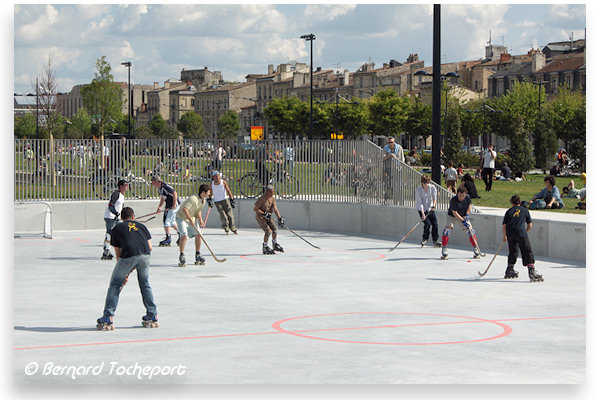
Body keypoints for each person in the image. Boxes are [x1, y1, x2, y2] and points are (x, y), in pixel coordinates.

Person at [96, 207, 158, 330]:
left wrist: (124, 273)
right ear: (133, 217)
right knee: (145, 284)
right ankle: (152, 314)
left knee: (115, 285)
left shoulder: (117, 229)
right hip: (145, 255)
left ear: (121, 218)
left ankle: (108, 316)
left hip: (129, 255)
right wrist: (129, 269)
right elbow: (150, 247)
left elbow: (118, 254)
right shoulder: (142, 226)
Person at [502, 195, 543, 282]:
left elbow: (504, 226)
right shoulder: (525, 210)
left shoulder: (509, 211)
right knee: (527, 251)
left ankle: (510, 269)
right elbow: (530, 225)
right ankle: (531, 271)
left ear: (511, 203)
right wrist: (525, 232)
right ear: (519, 202)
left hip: (510, 233)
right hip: (521, 233)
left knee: (513, 251)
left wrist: (505, 236)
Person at [175, 184, 211, 267]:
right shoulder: (193, 199)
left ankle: (197, 255)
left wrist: (201, 220)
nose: (209, 194)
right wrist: (190, 219)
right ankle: (182, 255)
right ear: (203, 192)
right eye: (208, 192)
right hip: (182, 218)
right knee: (184, 235)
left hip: (192, 219)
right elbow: (185, 209)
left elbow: (198, 210)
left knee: (199, 235)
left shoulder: (202, 200)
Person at [441, 186, 481, 260]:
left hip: (463, 216)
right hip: (452, 216)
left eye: (463, 196)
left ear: (465, 194)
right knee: (446, 231)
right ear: (457, 194)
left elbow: (469, 205)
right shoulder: (453, 200)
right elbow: (454, 212)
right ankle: (444, 248)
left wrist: (467, 215)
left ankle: (475, 248)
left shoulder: (468, 197)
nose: (461, 198)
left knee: (471, 231)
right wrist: (462, 220)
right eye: (459, 196)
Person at [101, 179, 129, 260]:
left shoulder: (121, 195)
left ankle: (109, 249)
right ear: (120, 186)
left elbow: (120, 207)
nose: (127, 187)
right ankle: (106, 251)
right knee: (110, 233)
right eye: (125, 185)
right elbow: (111, 205)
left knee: (121, 231)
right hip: (110, 217)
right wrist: (115, 213)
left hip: (115, 218)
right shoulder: (116, 194)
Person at [254, 185, 285, 254]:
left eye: (273, 191)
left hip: (268, 217)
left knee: (275, 229)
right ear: (267, 192)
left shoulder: (273, 198)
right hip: (261, 217)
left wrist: (279, 218)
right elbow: (255, 209)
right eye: (271, 192)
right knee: (268, 231)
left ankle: (274, 244)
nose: (272, 193)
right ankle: (265, 247)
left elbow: (275, 209)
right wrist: (264, 213)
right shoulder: (261, 199)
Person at [151, 176, 180, 246]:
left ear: (157, 181)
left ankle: (168, 238)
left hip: (173, 205)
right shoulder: (160, 188)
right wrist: (159, 207)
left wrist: (174, 205)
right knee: (172, 222)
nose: (152, 184)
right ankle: (181, 234)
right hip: (169, 206)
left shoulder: (165, 186)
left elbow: (174, 193)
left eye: (153, 182)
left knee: (167, 222)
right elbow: (163, 198)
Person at [415, 175, 441, 247]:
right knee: (427, 224)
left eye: (428, 182)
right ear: (422, 182)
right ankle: (425, 239)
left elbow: (434, 197)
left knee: (435, 224)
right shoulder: (419, 190)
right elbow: (420, 203)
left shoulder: (432, 188)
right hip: (422, 210)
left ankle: (435, 240)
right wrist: (423, 214)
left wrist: (433, 206)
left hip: (430, 208)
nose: (426, 184)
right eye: (425, 182)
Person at [210, 170, 237, 235]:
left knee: (230, 214)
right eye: (216, 177)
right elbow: (210, 192)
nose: (218, 178)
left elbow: (228, 190)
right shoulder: (212, 184)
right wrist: (209, 199)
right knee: (223, 215)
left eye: (218, 176)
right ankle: (226, 228)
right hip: (217, 201)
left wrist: (232, 199)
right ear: (213, 177)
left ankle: (233, 227)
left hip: (225, 200)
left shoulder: (223, 182)